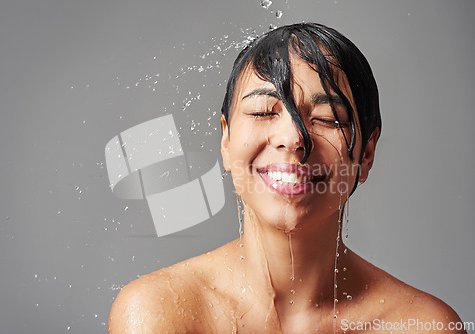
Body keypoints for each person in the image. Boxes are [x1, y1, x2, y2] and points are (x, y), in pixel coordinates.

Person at [108, 23, 465, 333]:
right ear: (227, 140)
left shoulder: (423, 325)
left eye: (327, 118)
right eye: (264, 111)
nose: (294, 139)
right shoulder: (160, 312)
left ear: (367, 153)